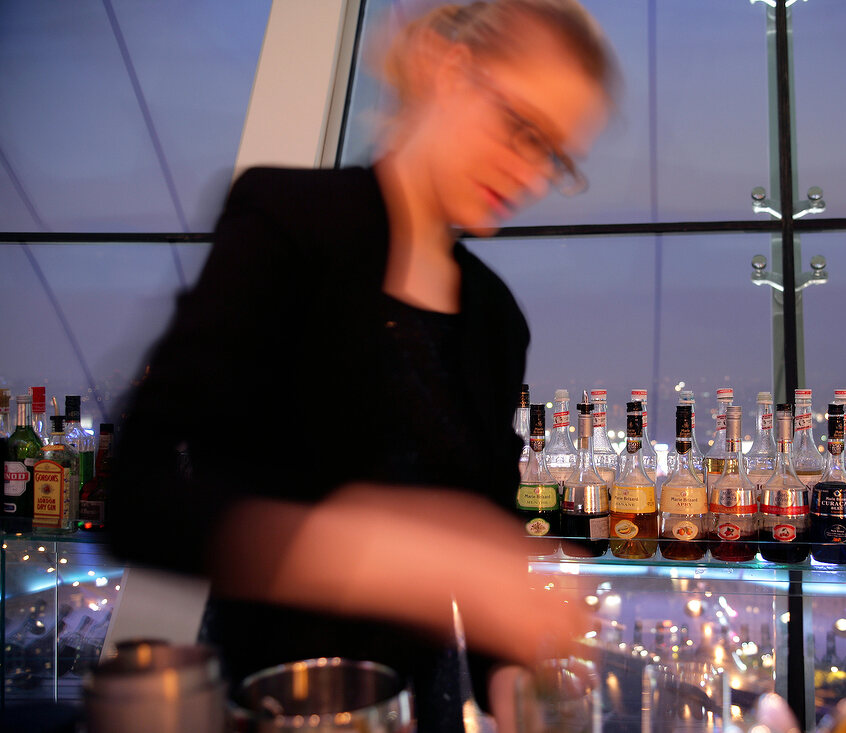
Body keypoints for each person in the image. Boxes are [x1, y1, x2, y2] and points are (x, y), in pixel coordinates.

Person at [107, 1, 618, 731]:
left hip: (424, 708)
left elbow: (486, 530)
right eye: (522, 129)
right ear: (449, 69)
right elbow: (144, 494)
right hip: (273, 702)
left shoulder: (497, 317)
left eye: (556, 156)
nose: (532, 175)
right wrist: (388, 555)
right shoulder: (292, 220)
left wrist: (510, 673)